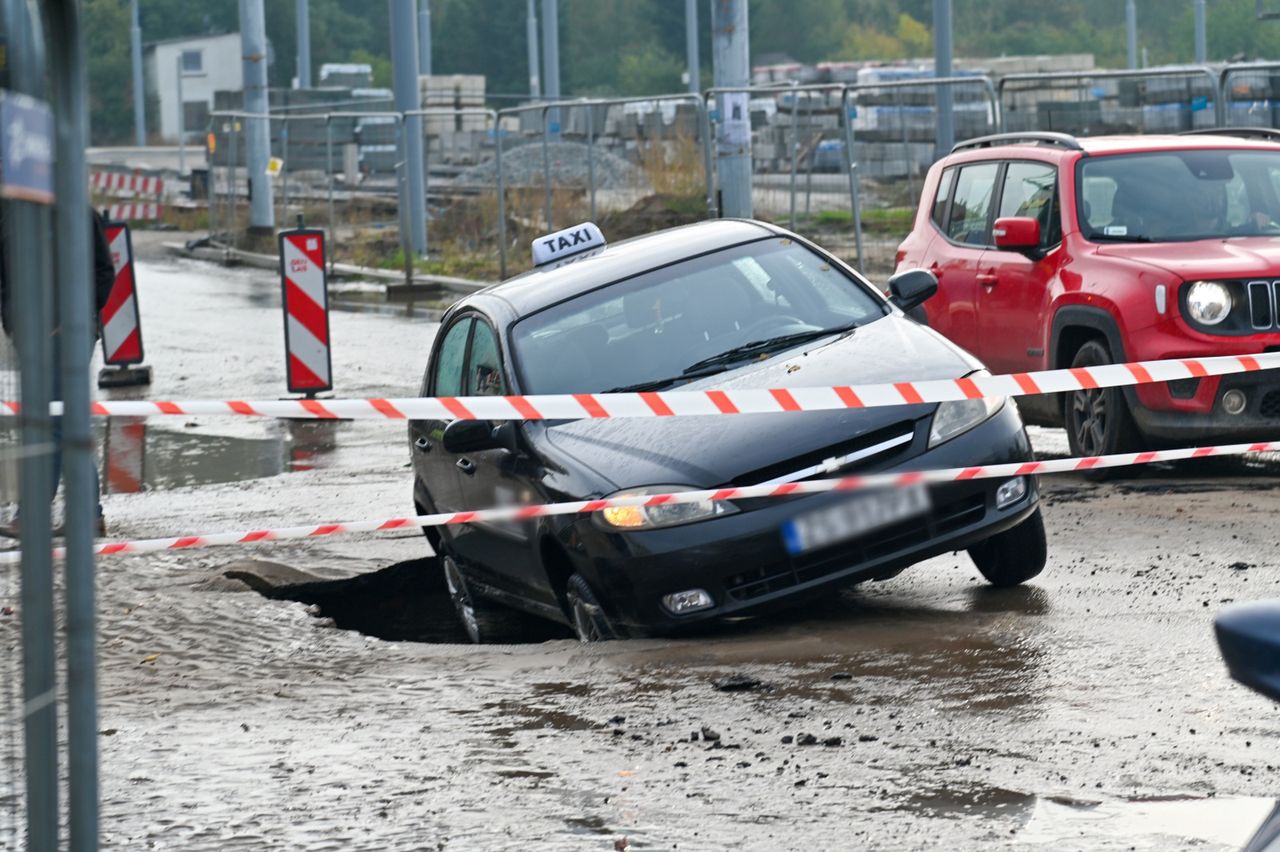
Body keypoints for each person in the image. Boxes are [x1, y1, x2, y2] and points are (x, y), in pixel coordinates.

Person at [0, 208, 114, 538]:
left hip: (70, 335)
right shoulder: (10, 216)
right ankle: (84, 515)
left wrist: (73, 318)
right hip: (29, 337)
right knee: (53, 423)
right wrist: (14, 326)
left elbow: (104, 272)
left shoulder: (77, 210)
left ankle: (38, 515)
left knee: (54, 423)